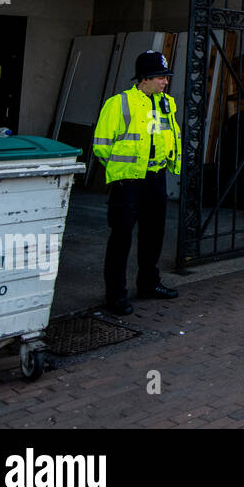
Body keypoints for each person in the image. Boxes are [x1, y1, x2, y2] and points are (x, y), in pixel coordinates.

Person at [92, 51, 182, 315]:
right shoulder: (118, 103)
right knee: (121, 238)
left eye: (166, 77)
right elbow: (102, 146)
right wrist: (124, 167)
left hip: (156, 177)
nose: (165, 82)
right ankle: (115, 295)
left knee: (153, 235)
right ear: (144, 78)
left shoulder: (167, 103)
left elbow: (170, 136)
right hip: (128, 181)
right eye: (161, 77)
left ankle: (148, 283)